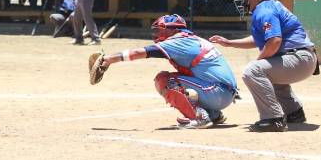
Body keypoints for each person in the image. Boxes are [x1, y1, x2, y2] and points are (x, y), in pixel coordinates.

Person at [90, 14, 238, 129]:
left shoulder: (179, 41)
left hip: (217, 92)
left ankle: (199, 117)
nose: (157, 33)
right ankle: (213, 114)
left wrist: (108, 59)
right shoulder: (191, 40)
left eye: (160, 29)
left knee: (165, 80)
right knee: (181, 78)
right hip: (222, 93)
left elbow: (139, 53)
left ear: (173, 29)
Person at [209, 0, 317, 132]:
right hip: (302, 58)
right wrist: (230, 42)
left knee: (254, 71)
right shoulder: (269, 7)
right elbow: (263, 38)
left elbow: (274, 41)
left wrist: (257, 62)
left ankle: (273, 118)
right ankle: (293, 112)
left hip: (299, 58)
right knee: (265, 69)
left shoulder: (264, 10)